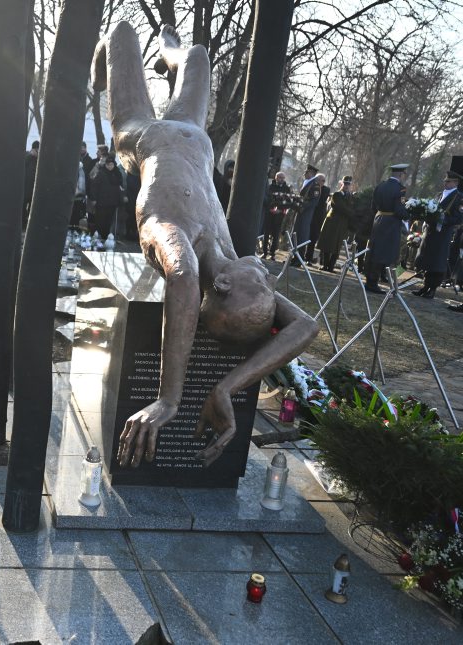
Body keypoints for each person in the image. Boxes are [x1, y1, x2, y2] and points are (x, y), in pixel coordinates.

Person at [93, 23, 317, 468]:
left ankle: (99, 67)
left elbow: (183, 278)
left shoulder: (172, 234)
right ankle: (168, 53)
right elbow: (306, 327)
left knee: (121, 33)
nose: (268, 276)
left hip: (141, 134)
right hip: (190, 131)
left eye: (262, 282)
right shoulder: (231, 264)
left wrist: (169, 398)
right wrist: (226, 387)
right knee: (196, 54)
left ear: (227, 286)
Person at [413, 158, 463, 298]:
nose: (445, 183)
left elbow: (459, 218)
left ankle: (432, 288)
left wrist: (443, 220)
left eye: (448, 181)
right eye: (445, 181)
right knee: (428, 259)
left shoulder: (459, 198)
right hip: (431, 232)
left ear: (456, 183)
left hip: (443, 234)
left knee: (437, 262)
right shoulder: (439, 195)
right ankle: (425, 286)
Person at [365, 163, 411, 293]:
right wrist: (409, 214)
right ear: (401, 174)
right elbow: (399, 210)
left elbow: (373, 206)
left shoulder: (381, 186)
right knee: (385, 253)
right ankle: (373, 282)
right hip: (391, 223)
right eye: (404, 174)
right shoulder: (400, 189)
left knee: (375, 251)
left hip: (378, 220)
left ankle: (370, 280)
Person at [317, 175, 354, 271]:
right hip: (332, 223)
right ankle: (325, 265)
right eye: (345, 184)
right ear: (342, 184)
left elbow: (351, 208)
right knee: (328, 244)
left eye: (348, 184)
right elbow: (341, 207)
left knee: (337, 245)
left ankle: (331, 266)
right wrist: (350, 212)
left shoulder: (350, 196)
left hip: (343, 224)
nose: (346, 186)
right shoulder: (337, 195)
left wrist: (350, 211)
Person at [88, 154, 125, 238]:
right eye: (108, 164)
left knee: (108, 221)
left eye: (111, 164)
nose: (110, 166)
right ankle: (98, 236)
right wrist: (93, 198)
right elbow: (94, 186)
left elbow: (120, 187)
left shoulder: (117, 173)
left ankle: (105, 237)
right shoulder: (100, 173)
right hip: (101, 202)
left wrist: (121, 198)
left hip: (112, 202)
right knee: (100, 220)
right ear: (106, 165)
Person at [262, 171, 293, 260]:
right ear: (276, 178)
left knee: (276, 234)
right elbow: (267, 198)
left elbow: (289, 202)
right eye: (280, 177)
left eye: (283, 178)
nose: (281, 179)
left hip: (279, 215)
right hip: (269, 213)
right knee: (266, 233)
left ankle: (272, 253)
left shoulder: (286, 189)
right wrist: (270, 208)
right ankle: (264, 252)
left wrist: (280, 209)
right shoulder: (270, 187)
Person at [294, 165, 322, 265]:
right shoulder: (307, 182)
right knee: (296, 234)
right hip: (300, 212)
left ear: (312, 173)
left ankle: (299, 259)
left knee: (302, 235)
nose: (305, 174)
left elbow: (314, 202)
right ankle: (295, 257)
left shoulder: (315, 185)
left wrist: (302, 206)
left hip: (305, 213)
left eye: (307, 172)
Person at [305, 174, 330, 265]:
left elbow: (320, 200)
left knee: (313, 238)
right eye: (320, 180)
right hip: (309, 214)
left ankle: (308, 257)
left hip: (318, 217)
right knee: (305, 236)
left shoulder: (326, 189)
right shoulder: (311, 186)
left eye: (323, 181)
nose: (322, 182)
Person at [23, 140, 39, 226]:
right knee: (23, 206)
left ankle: (29, 224)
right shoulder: (27, 156)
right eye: (36, 150)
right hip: (26, 187)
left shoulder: (39, 159)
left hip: (34, 187)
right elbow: (23, 165)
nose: (38, 151)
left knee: (32, 208)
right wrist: (30, 155)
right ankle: (23, 222)